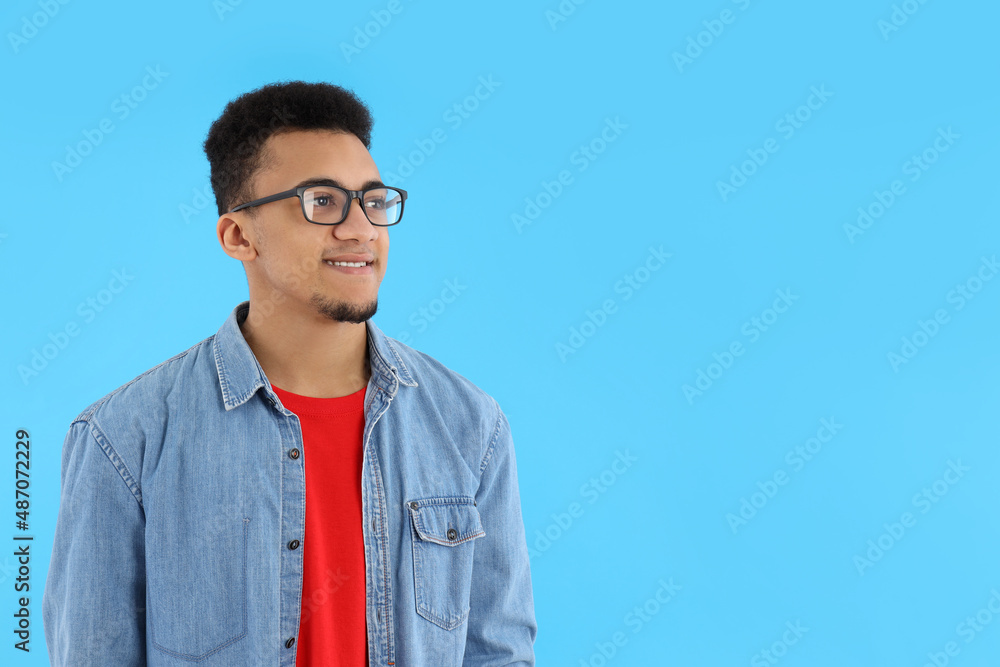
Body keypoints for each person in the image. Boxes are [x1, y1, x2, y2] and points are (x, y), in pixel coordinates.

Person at [42, 80, 537, 666]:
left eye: (373, 201)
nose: (360, 230)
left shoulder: (469, 425)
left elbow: (498, 652)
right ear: (238, 236)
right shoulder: (124, 437)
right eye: (322, 202)